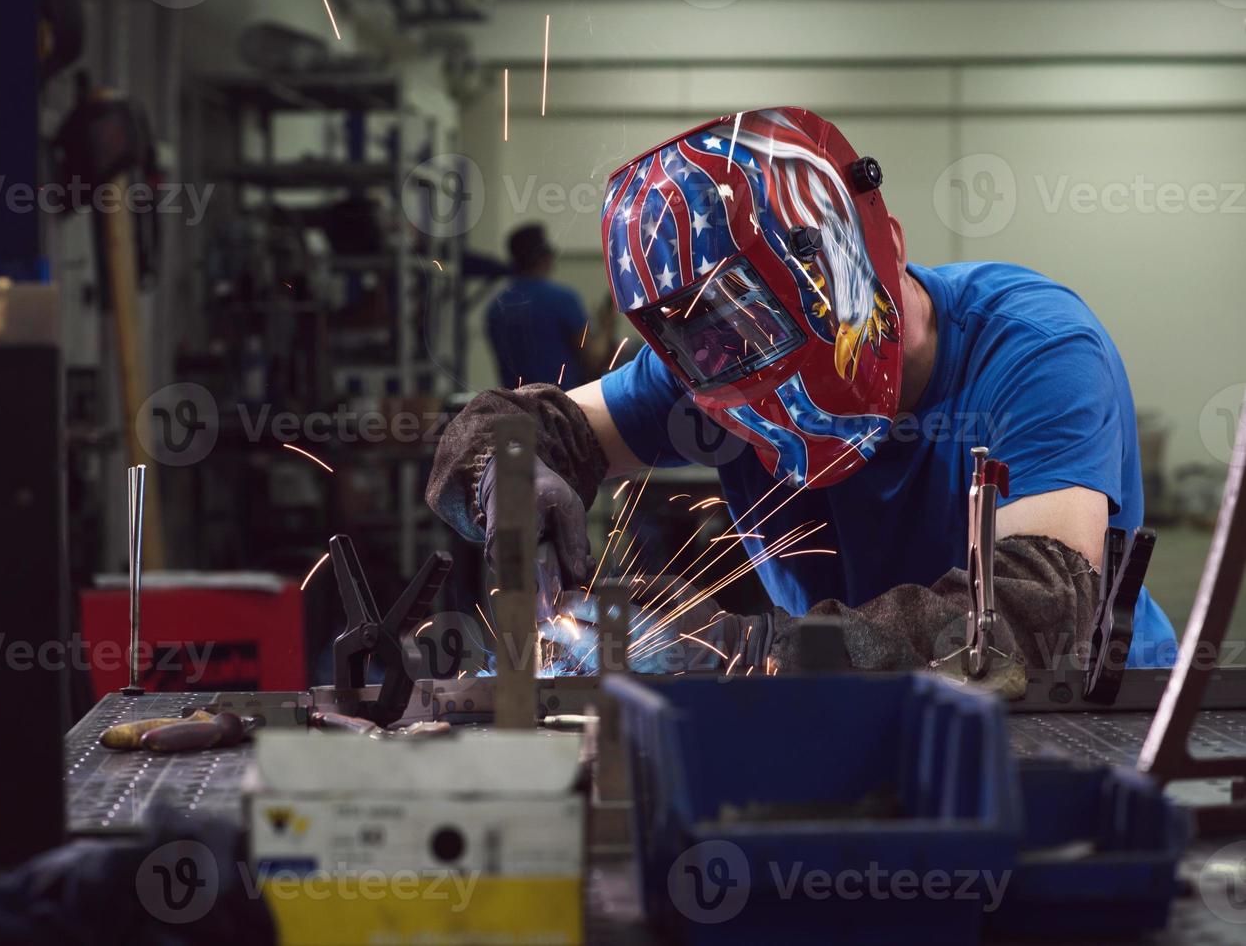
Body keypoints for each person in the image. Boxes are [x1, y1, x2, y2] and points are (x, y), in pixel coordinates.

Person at [427, 107, 1176, 684]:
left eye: (767, 327)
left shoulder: (1035, 350)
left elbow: (1033, 621)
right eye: (722, 344)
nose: (751, 364)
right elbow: (526, 426)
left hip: (1082, 718)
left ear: (860, 254)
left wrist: (747, 652)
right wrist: (504, 474)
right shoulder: (715, 362)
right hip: (845, 709)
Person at [485, 223, 609, 389]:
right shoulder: (562, 299)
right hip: (560, 407)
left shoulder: (495, 308)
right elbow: (593, 360)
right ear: (545, 257)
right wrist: (607, 327)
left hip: (514, 407)